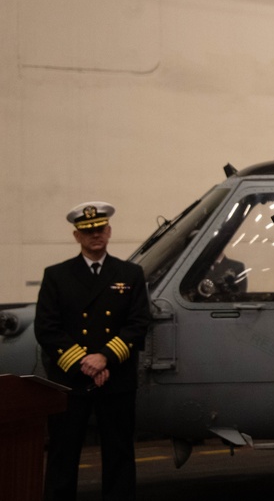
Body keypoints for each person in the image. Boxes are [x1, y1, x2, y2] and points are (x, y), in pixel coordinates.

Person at [34, 201, 152, 501]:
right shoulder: (56, 276)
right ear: (77, 237)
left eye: (99, 229)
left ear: (109, 231)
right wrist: (84, 363)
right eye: (87, 232)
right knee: (63, 454)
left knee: (119, 454)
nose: (94, 235)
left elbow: (138, 324)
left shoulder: (130, 273)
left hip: (116, 379)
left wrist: (105, 358)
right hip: (71, 381)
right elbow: (47, 328)